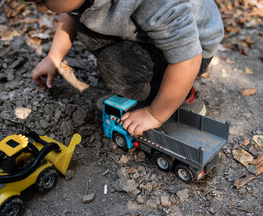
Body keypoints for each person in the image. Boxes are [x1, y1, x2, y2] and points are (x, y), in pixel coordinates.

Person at [28, 0, 224, 136]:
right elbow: (71, 12)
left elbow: (188, 59)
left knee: (114, 67)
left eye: (42, 0)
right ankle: (152, 88)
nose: (39, 7)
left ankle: (181, 98)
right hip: (156, 38)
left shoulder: (156, 4)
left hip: (192, 52)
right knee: (85, 27)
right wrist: (54, 57)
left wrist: (155, 114)